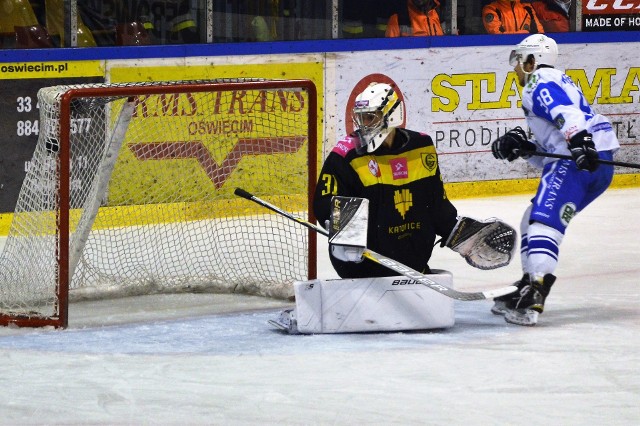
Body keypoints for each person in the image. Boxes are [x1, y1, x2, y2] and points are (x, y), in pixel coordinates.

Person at [313, 82, 515, 280]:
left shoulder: (421, 147)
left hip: (412, 265)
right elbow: (324, 203)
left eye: (370, 117)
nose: (364, 124)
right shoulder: (346, 155)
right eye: (360, 118)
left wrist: (457, 233)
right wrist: (345, 235)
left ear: (391, 115)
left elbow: (435, 202)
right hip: (364, 267)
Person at [490, 34, 620, 326]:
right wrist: (526, 150)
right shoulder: (562, 80)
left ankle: (536, 290)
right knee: (532, 218)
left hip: (578, 161)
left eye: (519, 61)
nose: (516, 68)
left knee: (543, 224)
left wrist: (579, 141)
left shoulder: (539, 81)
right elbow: (553, 152)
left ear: (532, 60)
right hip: (598, 164)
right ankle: (528, 282)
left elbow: (565, 115)